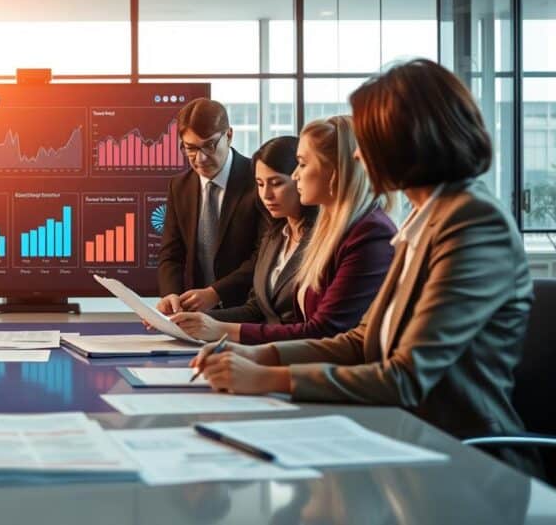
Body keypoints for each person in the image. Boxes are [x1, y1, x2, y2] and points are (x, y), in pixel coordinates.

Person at [191, 59, 539, 475]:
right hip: (403, 441)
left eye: (368, 139)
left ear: (407, 142)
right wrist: (255, 354)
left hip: (463, 461)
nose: (356, 152)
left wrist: (266, 378)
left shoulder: (473, 223)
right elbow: (359, 341)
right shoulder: (425, 218)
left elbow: (405, 378)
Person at [173, 116, 395, 345]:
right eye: (259, 184)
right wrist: (196, 322)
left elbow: (325, 331)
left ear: (336, 171)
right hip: (294, 358)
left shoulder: (367, 234)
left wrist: (228, 336)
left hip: (317, 367)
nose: (296, 174)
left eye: (303, 163)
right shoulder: (291, 233)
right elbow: (260, 308)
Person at [165, 136, 316, 341]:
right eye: (260, 184)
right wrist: (188, 321)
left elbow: (318, 328)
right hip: (263, 351)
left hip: (297, 355)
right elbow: (255, 310)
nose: (266, 195)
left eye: (277, 183)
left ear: (300, 179)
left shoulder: (321, 241)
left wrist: (219, 329)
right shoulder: (273, 238)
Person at [156, 98, 267, 312]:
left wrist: (216, 292)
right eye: (190, 148)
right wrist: (171, 295)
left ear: (229, 135)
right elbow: (171, 253)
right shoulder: (180, 186)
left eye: (209, 145)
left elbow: (264, 254)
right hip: (194, 313)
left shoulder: (258, 180)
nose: (201, 158)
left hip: (249, 312)